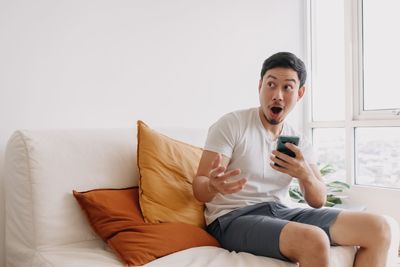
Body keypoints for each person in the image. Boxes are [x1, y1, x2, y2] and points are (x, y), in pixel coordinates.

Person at [193, 52, 391, 267]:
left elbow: (318, 200)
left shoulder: (298, 139)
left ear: (300, 93)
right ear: (260, 86)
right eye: (271, 84)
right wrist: (213, 185)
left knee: (378, 228)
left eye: (287, 87)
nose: (277, 94)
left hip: (279, 210)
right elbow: (199, 188)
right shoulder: (232, 124)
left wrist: (304, 174)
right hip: (232, 218)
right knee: (314, 240)